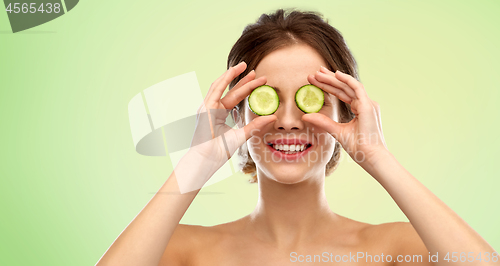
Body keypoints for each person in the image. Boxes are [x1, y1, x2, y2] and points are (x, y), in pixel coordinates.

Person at [96, 9, 497, 266]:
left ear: (347, 112)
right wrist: (195, 164)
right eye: (267, 100)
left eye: (312, 101)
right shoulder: (186, 251)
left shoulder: (392, 249)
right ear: (237, 114)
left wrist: (378, 157)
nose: (288, 120)